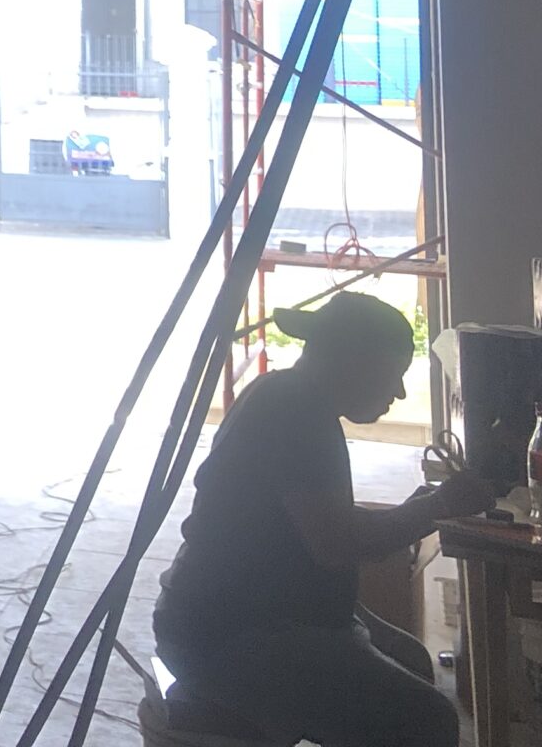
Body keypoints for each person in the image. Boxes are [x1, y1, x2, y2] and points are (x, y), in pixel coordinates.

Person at [155, 292, 497, 747]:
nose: (398, 393)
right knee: (428, 721)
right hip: (230, 633)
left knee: (411, 659)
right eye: (392, 374)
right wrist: (437, 507)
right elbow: (336, 545)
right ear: (353, 361)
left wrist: (422, 508)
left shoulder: (286, 395)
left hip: (257, 614)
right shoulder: (296, 412)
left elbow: (307, 524)